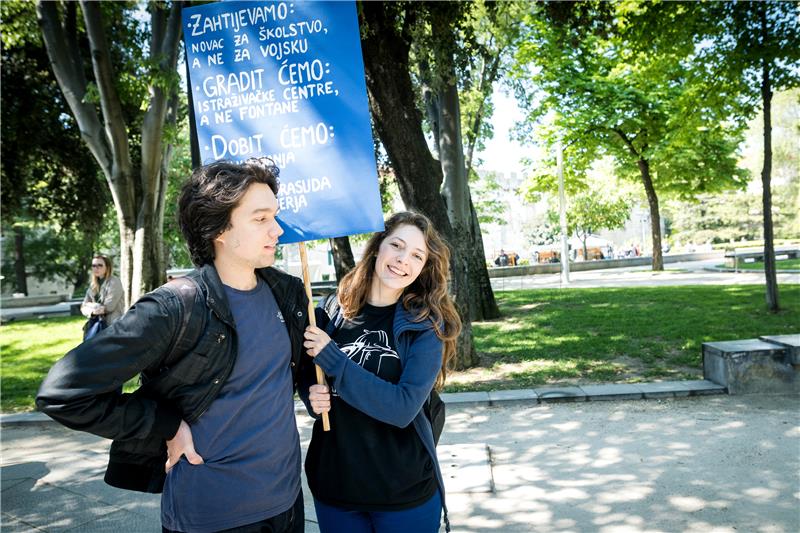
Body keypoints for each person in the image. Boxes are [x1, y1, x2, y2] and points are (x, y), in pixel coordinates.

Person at [37, 159, 309, 533]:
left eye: (274, 216)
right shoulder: (174, 307)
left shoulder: (288, 293)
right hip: (213, 515)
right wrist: (164, 424)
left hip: (288, 504)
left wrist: (315, 386)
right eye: (260, 219)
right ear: (218, 229)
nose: (277, 229)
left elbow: (292, 373)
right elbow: (63, 394)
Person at [300, 211, 462, 533]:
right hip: (336, 489)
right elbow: (309, 370)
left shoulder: (425, 327)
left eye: (416, 255)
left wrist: (334, 360)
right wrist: (311, 395)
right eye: (397, 246)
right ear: (378, 246)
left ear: (423, 268)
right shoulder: (333, 310)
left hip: (403, 495)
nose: (403, 259)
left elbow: (403, 408)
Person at [81, 254, 125, 326]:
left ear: (107, 267)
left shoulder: (114, 282)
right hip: (96, 324)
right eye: (94, 265)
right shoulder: (93, 285)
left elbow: (109, 307)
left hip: (112, 326)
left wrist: (91, 306)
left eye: (100, 265)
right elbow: (83, 307)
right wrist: (93, 310)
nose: (96, 268)